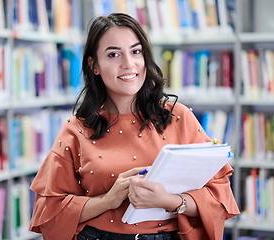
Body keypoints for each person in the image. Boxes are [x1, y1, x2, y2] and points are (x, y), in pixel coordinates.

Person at [28, 13, 240, 240]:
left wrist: (169, 201)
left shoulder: (179, 116)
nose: (128, 64)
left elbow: (220, 197)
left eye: (135, 51)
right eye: (113, 54)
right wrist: (107, 200)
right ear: (94, 65)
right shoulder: (76, 128)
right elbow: (49, 212)